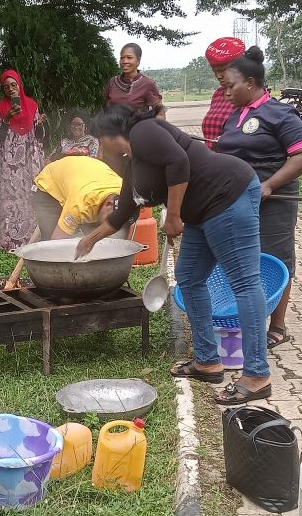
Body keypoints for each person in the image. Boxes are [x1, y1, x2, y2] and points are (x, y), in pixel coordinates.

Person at [76, 105, 272, 405]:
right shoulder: (134, 165)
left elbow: (178, 161)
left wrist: (174, 216)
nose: (100, 148)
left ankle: (257, 375)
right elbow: (122, 214)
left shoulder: (142, 131)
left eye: (100, 140)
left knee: (244, 282)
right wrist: (88, 241)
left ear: (109, 135)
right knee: (189, 277)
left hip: (228, 195)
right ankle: (208, 361)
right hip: (200, 213)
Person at [218, 46, 302, 350]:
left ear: (251, 83)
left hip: (274, 200)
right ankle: (246, 318)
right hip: (237, 201)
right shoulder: (234, 117)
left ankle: (278, 326)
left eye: (231, 86)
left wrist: (268, 185)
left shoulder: (280, 114)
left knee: (277, 258)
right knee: (243, 259)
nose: (226, 92)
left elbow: (299, 157)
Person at [0, 69, 45, 251]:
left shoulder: (32, 105)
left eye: (13, 85)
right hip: (9, 165)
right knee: (10, 199)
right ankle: (9, 242)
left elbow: (38, 137)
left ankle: (32, 241)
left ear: (19, 85)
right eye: (6, 87)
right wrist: (6, 119)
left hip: (29, 162)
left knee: (30, 197)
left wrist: (39, 125)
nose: (10, 89)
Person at [32, 156, 122, 240]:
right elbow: (57, 240)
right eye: (109, 220)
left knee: (98, 239)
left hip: (82, 177)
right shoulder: (80, 205)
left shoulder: (125, 191)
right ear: (108, 204)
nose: (111, 225)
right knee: (50, 242)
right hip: (49, 185)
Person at [201, 37, 245, 149]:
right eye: (214, 71)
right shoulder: (218, 94)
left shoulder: (249, 95)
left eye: (222, 70)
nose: (218, 76)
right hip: (211, 157)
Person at [104, 43, 163, 111]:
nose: (124, 61)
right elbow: (107, 108)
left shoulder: (148, 84)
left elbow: (160, 114)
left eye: (129, 58)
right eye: (122, 58)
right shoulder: (113, 82)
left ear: (138, 60)